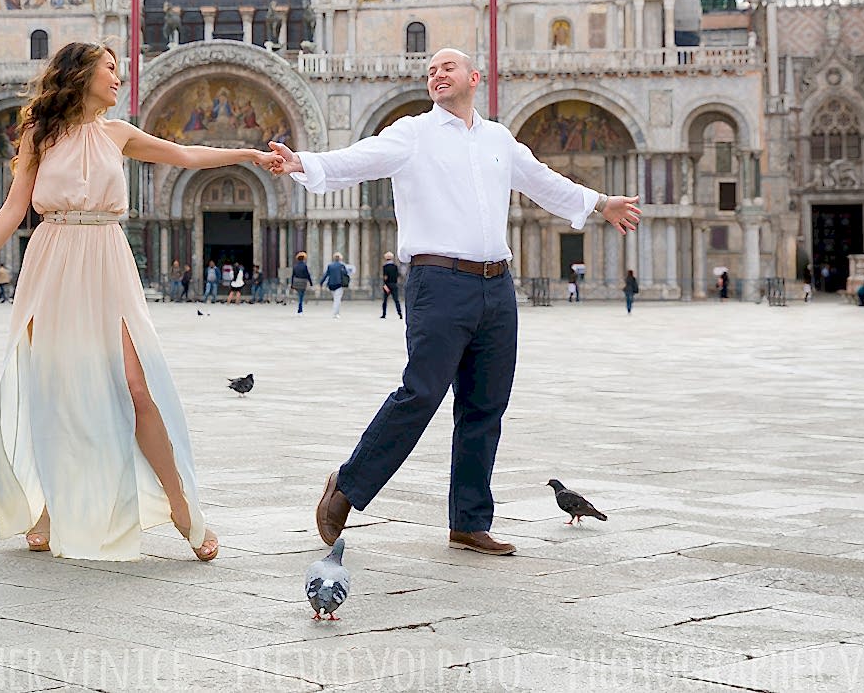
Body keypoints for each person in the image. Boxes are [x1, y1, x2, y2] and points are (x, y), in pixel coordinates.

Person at [263, 48, 640, 556]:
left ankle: (468, 521)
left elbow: (544, 183)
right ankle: (347, 487)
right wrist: (303, 163)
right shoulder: (412, 133)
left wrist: (599, 202)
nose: (437, 74)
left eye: (448, 67)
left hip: (496, 285)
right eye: (431, 70)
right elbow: (359, 158)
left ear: (473, 78)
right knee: (420, 393)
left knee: (486, 404)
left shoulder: (498, 139)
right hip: (438, 281)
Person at [0, 41, 271, 562]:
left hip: (108, 259)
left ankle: (182, 508)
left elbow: (184, 154)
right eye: (110, 69)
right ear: (81, 74)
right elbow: (13, 209)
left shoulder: (119, 133)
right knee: (55, 386)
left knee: (137, 386)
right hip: (52, 259)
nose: (118, 78)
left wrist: (245, 153)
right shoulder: (39, 135)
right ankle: (45, 507)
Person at [323, 252, 350, 318]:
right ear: (340, 258)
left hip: (331, 285)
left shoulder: (330, 265)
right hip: (339, 284)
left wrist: (321, 282)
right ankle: (336, 313)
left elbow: (326, 275)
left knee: (335, 299)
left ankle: (336, 312)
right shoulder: (342, 265)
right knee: (337, 299)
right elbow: (345, 274)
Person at [381, 253, 402, 320]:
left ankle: (384, 314)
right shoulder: (395, 266)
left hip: (387, 285)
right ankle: (400, 314)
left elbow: (385, 277)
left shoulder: (385, 267)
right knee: (396, 300)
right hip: (394, 284)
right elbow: (398, 275)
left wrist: (385, 284)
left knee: (385, 300)